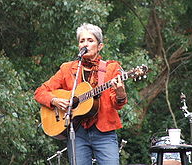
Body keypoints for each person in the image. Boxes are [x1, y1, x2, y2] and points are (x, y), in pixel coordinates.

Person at [34, 23, 127, 165]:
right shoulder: (68, 69)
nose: (85, 44)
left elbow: (118, 104)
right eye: (82, 41)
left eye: (90, 40)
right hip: (76, 132)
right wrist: (54, 101)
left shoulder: (110, 68)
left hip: (104, 132)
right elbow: (40, 92)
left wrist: (120, 93)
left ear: (99, 46)